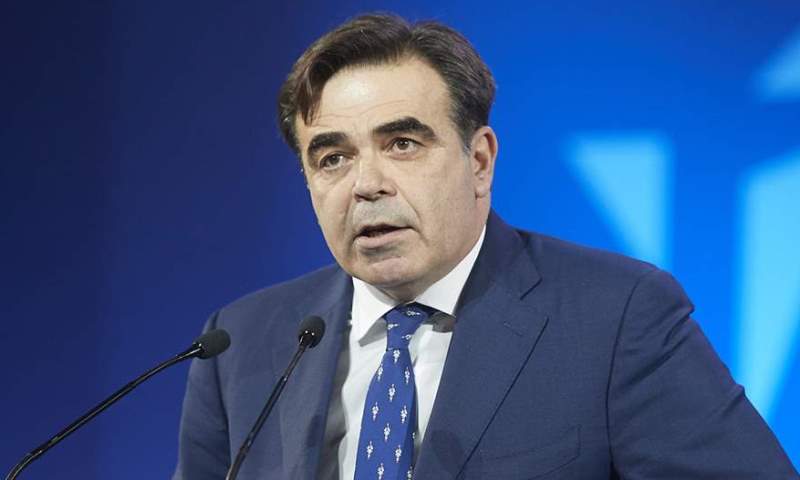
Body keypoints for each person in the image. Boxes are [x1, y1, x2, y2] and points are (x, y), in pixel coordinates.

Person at [173, 13, 798, 479]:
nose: (366, 184)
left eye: (402, 145)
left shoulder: (617, 317)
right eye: (332, 157)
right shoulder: (239, 343)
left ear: (479, 161)